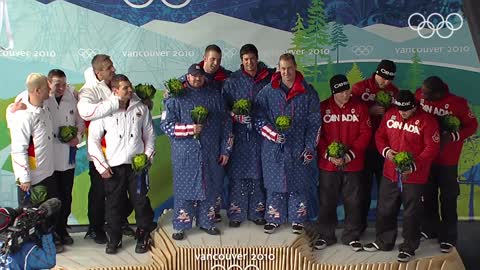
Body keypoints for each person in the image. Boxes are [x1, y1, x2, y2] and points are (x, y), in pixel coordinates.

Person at [364, 90, 440, 263]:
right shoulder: (391, 115)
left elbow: (432, 148)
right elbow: (380, 135)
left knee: (411, 213)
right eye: (399, 109)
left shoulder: (428, 121)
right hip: (390, 173)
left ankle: (409, 247)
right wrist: (386, 151)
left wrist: (414, 165)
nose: (402, 113)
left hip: (414, 176)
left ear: (414, 106)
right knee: (385, 208)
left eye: (406, 110)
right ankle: (384, 241)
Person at [161, 64, 233, 240]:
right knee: (184, 189)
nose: (196, 79)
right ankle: (180, 225)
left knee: (209, 188)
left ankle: (207, 222)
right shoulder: (175, 98)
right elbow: (166, 125)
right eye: (193, 76)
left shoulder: (215, 96)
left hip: (211, 152)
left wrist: (226, 150)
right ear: (187, 76)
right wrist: (189, 129)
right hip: (185, 154)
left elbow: (227, 125)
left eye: (200, 76)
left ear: (204, 77)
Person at [88, 74, 156, 254]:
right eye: (125, 88)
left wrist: (147, 157)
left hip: (137, 167)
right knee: (113, 204)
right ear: (115, 90)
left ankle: (143, 235)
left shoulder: (140, 107)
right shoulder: (104, 109)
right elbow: (93, 140)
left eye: (130, 87)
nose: (130, 90)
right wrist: (101, 166)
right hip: (114, 167)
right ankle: (114, 238)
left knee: (140, 202)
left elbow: (150, 135)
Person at [254, 53, 321, 234]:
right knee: (274, 184)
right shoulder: (268, 92)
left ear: (295, 67)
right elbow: (258, 119)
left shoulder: (308, 92)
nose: (286, 72)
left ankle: (298, 219)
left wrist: (309, 148)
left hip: (298, 147)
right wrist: (273, 134)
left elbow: (315, 123)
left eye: (289, 68)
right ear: (278, 69)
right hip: (273, 148)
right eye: (282, 68)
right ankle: (273, 218)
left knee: (299, 185)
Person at [415, 76, 478, 253]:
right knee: (428, 195)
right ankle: (430, 229)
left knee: (448, 198)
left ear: (439, 92)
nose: (423, 96)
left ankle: (449, 237)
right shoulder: (420, 95)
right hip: (427, 156)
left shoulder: (458, 103)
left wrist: (453, 136)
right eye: (423, 92)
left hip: (447, 160)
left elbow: (472, 125)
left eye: (427, 94)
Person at [77, 54, 134, 244]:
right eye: (109, 68)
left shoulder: (113, 84)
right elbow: (85, 111)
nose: (113, 69)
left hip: (121, 150)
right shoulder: (89, 90)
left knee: (124, 191)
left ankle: (118, 222)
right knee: (99, 192)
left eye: (112, 66)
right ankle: (95, 228)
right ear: (98, 72)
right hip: (100, 152)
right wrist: (114, 103)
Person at [5, 73, 62, 252]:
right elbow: (18, 149)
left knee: (48, 212)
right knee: (29, 215)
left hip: (48, 172)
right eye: (47, 87)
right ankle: (30, 248)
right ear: (37, 91)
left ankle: (47, 240)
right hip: (32, 178)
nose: (50, 90)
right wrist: (24, 178)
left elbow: (29, 89)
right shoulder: (23, 116)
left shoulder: (44, 107)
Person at [314, 75, 371, 251]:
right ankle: (325, 235)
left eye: (347, 90)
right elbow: (318, 136)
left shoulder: (360, 107)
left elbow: (366, 133)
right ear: (334, 92)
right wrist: (328, 155)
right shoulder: (323, 108)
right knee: (327, 201)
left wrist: (349, 156)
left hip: (353, 164)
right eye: (342, 92)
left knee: (353, 201)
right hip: (328, 166)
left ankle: (351, 235)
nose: (346, 94)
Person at [222, 43, 274, 227]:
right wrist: (235, 116)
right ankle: (236, 214)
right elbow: (224, 108)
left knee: (259, 174)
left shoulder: (270, 78)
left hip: (261, 135)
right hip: (238, 136)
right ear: (241, 61)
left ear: (257, 58)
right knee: (237, 176)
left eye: (252, 59)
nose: (250, 63)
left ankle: (258, 213)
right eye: (246, 60)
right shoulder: (232, 81)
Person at [351, 59, 399, 232]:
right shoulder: (359, 88)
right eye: (383, 78)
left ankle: (384, 230)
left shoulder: (394, 92)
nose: (386, 82)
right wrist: (368, 111)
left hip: (386, 149)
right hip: (363, 149)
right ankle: (359, 227)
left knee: (386, 193)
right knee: (361, 191)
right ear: (377, 72)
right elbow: (349, 111)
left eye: (389, 79)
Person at [43, 69, 84, 247]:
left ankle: (62, 229)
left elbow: (80, 122)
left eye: (64, 84)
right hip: (49, 159)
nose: (61, 88)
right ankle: (51, 234)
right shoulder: (43, 97)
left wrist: (78, 137)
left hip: (67, 156)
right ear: (48, 83)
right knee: (53, 197)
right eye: (57, 84)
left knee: (66, 196)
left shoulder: (72, 96)